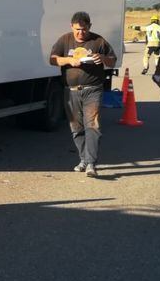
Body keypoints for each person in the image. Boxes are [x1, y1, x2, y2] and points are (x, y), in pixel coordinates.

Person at [49, 11, 117, 177]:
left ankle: (91, 164)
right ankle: (83, 159)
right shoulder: (65, 40)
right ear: (72, 26)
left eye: (84, 29)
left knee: (92, 126)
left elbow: (112, 60)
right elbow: (52, 59)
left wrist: (102, 58)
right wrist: (69, 60)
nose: (81, 33)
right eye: (78, 29)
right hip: (71, 91)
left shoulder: (98, 41)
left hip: (92, 90)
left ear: (90, 27)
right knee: (76, 128)